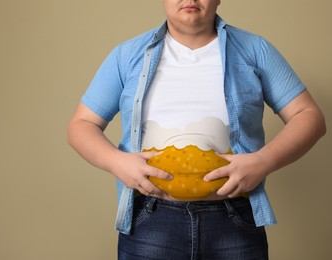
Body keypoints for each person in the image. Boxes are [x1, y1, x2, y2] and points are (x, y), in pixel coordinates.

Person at [67, 0, 326, 259]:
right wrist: (117, 162)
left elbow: (309, 116)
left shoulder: (255, 50)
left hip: (235, 219)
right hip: (150, 220)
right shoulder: (126, 56)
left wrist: (263, 162)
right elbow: (81, 125)